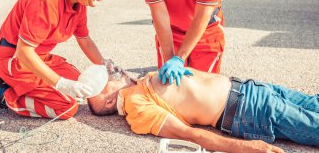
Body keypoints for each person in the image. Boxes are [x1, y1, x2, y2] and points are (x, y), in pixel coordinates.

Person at [87, 68, 319, 152]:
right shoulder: (136, 107)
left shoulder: (139, 83)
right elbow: (187, 134)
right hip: (249, 111)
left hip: (253, 88)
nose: (110, 71)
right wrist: (247, 148)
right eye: (105, 79)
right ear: (108, 102)